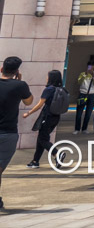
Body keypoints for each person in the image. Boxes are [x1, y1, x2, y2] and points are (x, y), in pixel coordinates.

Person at [0, 58, 33, 209]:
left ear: (1, 69)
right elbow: (28, 102)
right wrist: (20, 81)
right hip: (8, 133)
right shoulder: (20, 85)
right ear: (17, 71)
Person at [22, 70, 67, 168]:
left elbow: (40, 105)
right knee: (41, 138)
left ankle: (57, 154)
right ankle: (35, 161)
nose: (46, 78)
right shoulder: (61, 89)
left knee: (43, 139)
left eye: (48, 76)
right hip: (56, 117)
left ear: (51, 78)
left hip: (47, 117)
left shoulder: (49, 89)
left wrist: (28, 113)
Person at [73, 62, 94, 133]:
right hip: (82, 94)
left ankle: (84, 128)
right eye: (89, 66)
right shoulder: (82, 74)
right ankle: (77, 129)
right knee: (79, 113)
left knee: (88, 113)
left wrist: (93, 75)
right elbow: (79, 82)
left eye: (92, 67)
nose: (90, 68)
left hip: (92, 94)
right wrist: (85, 74)